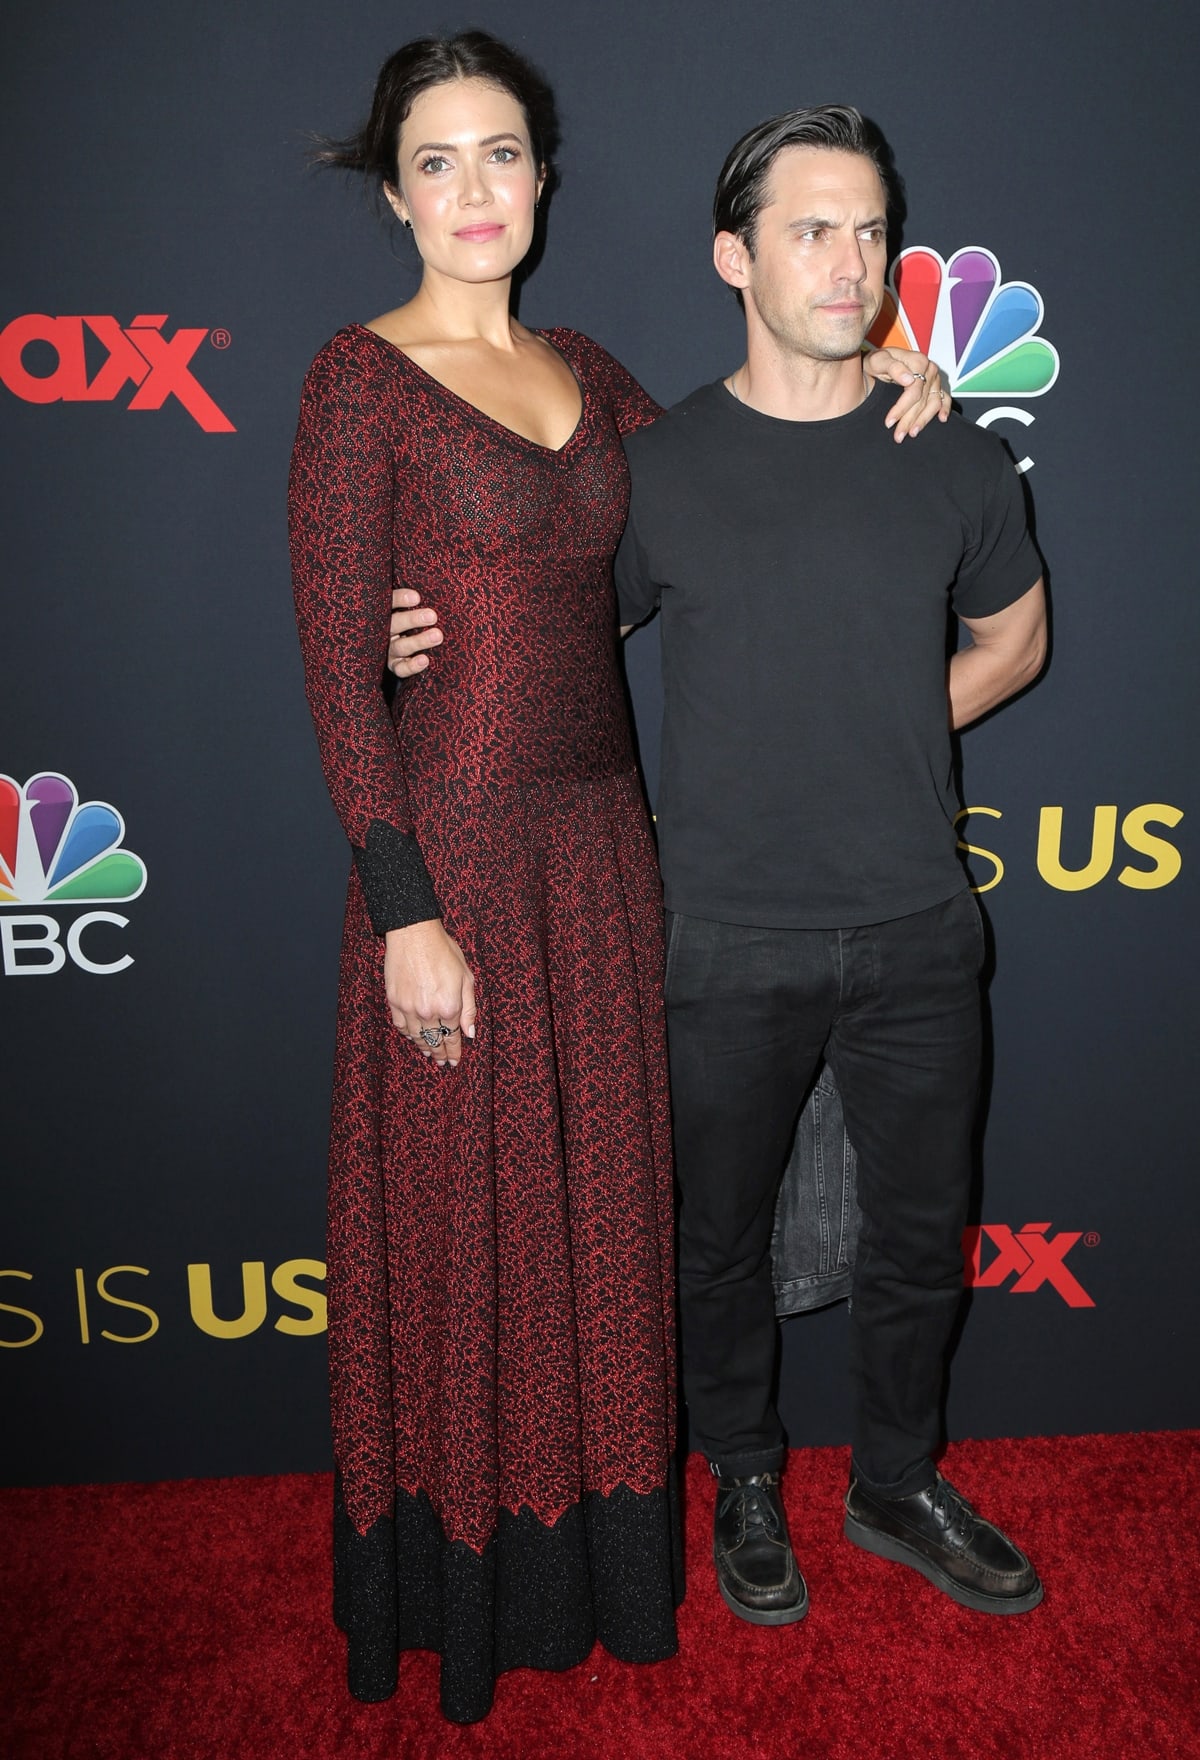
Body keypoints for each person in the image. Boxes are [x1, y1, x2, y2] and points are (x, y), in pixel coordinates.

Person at [292, 35, 948, 1721]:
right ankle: (461, 1588)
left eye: (500, 154)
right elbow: (332, 674)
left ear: (543, 175)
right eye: (435, 162)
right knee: (468, 1230)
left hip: (605, 857)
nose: (474, 191)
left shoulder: (595, 376)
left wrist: (898, 378)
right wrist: (403, 908)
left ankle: (601, 1566)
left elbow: (751, 472)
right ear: (394, 192)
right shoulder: (355, 381)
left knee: (598, 1229)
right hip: (456, 858)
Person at [389, 103, 1047, 1633]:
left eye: (873, 227)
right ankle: (744, 1475)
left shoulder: (946, 449)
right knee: (715, 1241)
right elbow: (547, 647)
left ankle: (894, 1479)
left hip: (916, 929)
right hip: (721, 938)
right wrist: (409, 637)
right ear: (730, 257)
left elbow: (1017, 640)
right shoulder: (653, 468)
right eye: (812, 228)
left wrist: (886, 712)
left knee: (915, 1234)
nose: (852, 258)